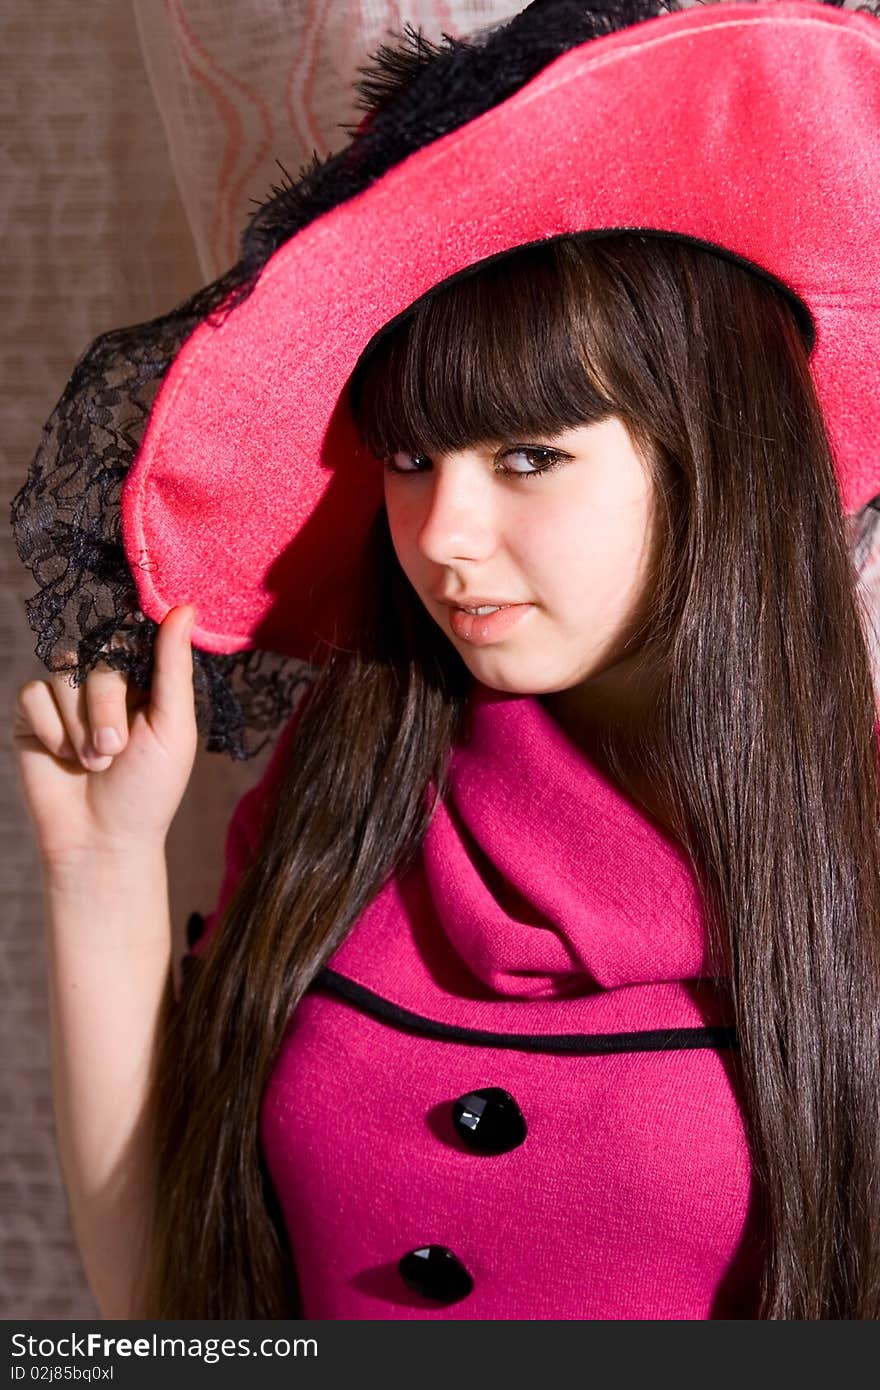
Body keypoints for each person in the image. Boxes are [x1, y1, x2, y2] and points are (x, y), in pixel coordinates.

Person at [10, 0, 880, 1321]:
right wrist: (103, 870)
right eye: (411, 459)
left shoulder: (850, 832)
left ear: (718, 459)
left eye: (528, 456)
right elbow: (171, 1315)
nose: (440, 535)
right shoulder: (344, 786)